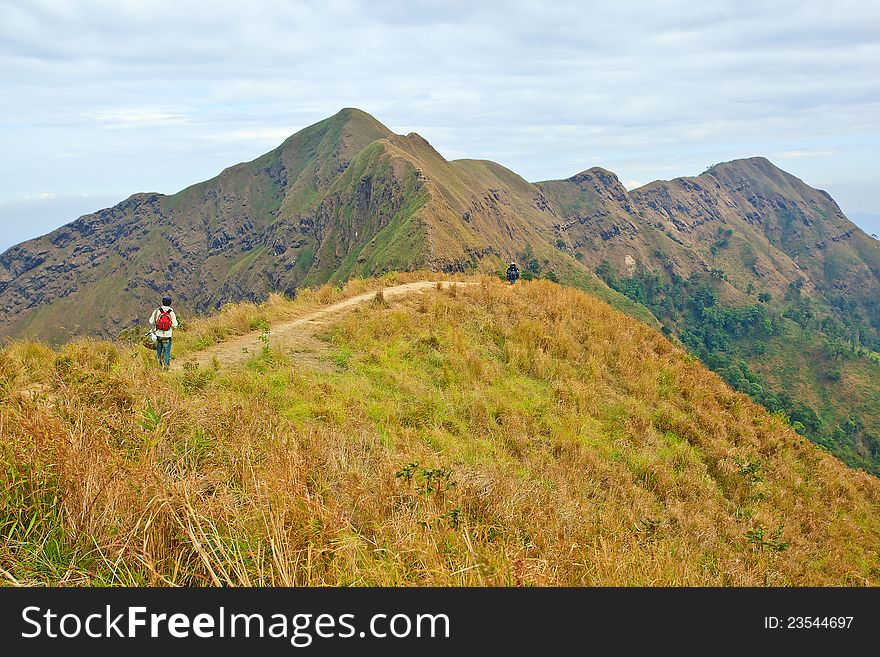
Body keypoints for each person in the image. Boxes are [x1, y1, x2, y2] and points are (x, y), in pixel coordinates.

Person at [149, 296, 178, 370]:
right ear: (170, 303)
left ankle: (158, 367)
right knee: (166, 352)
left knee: (158, 351)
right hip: (168, 336)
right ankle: (166, 367)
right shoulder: (171, 313)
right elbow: (175, 325)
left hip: (158, 335)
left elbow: (151, 321)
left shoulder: (156, 311)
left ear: (162, 302)